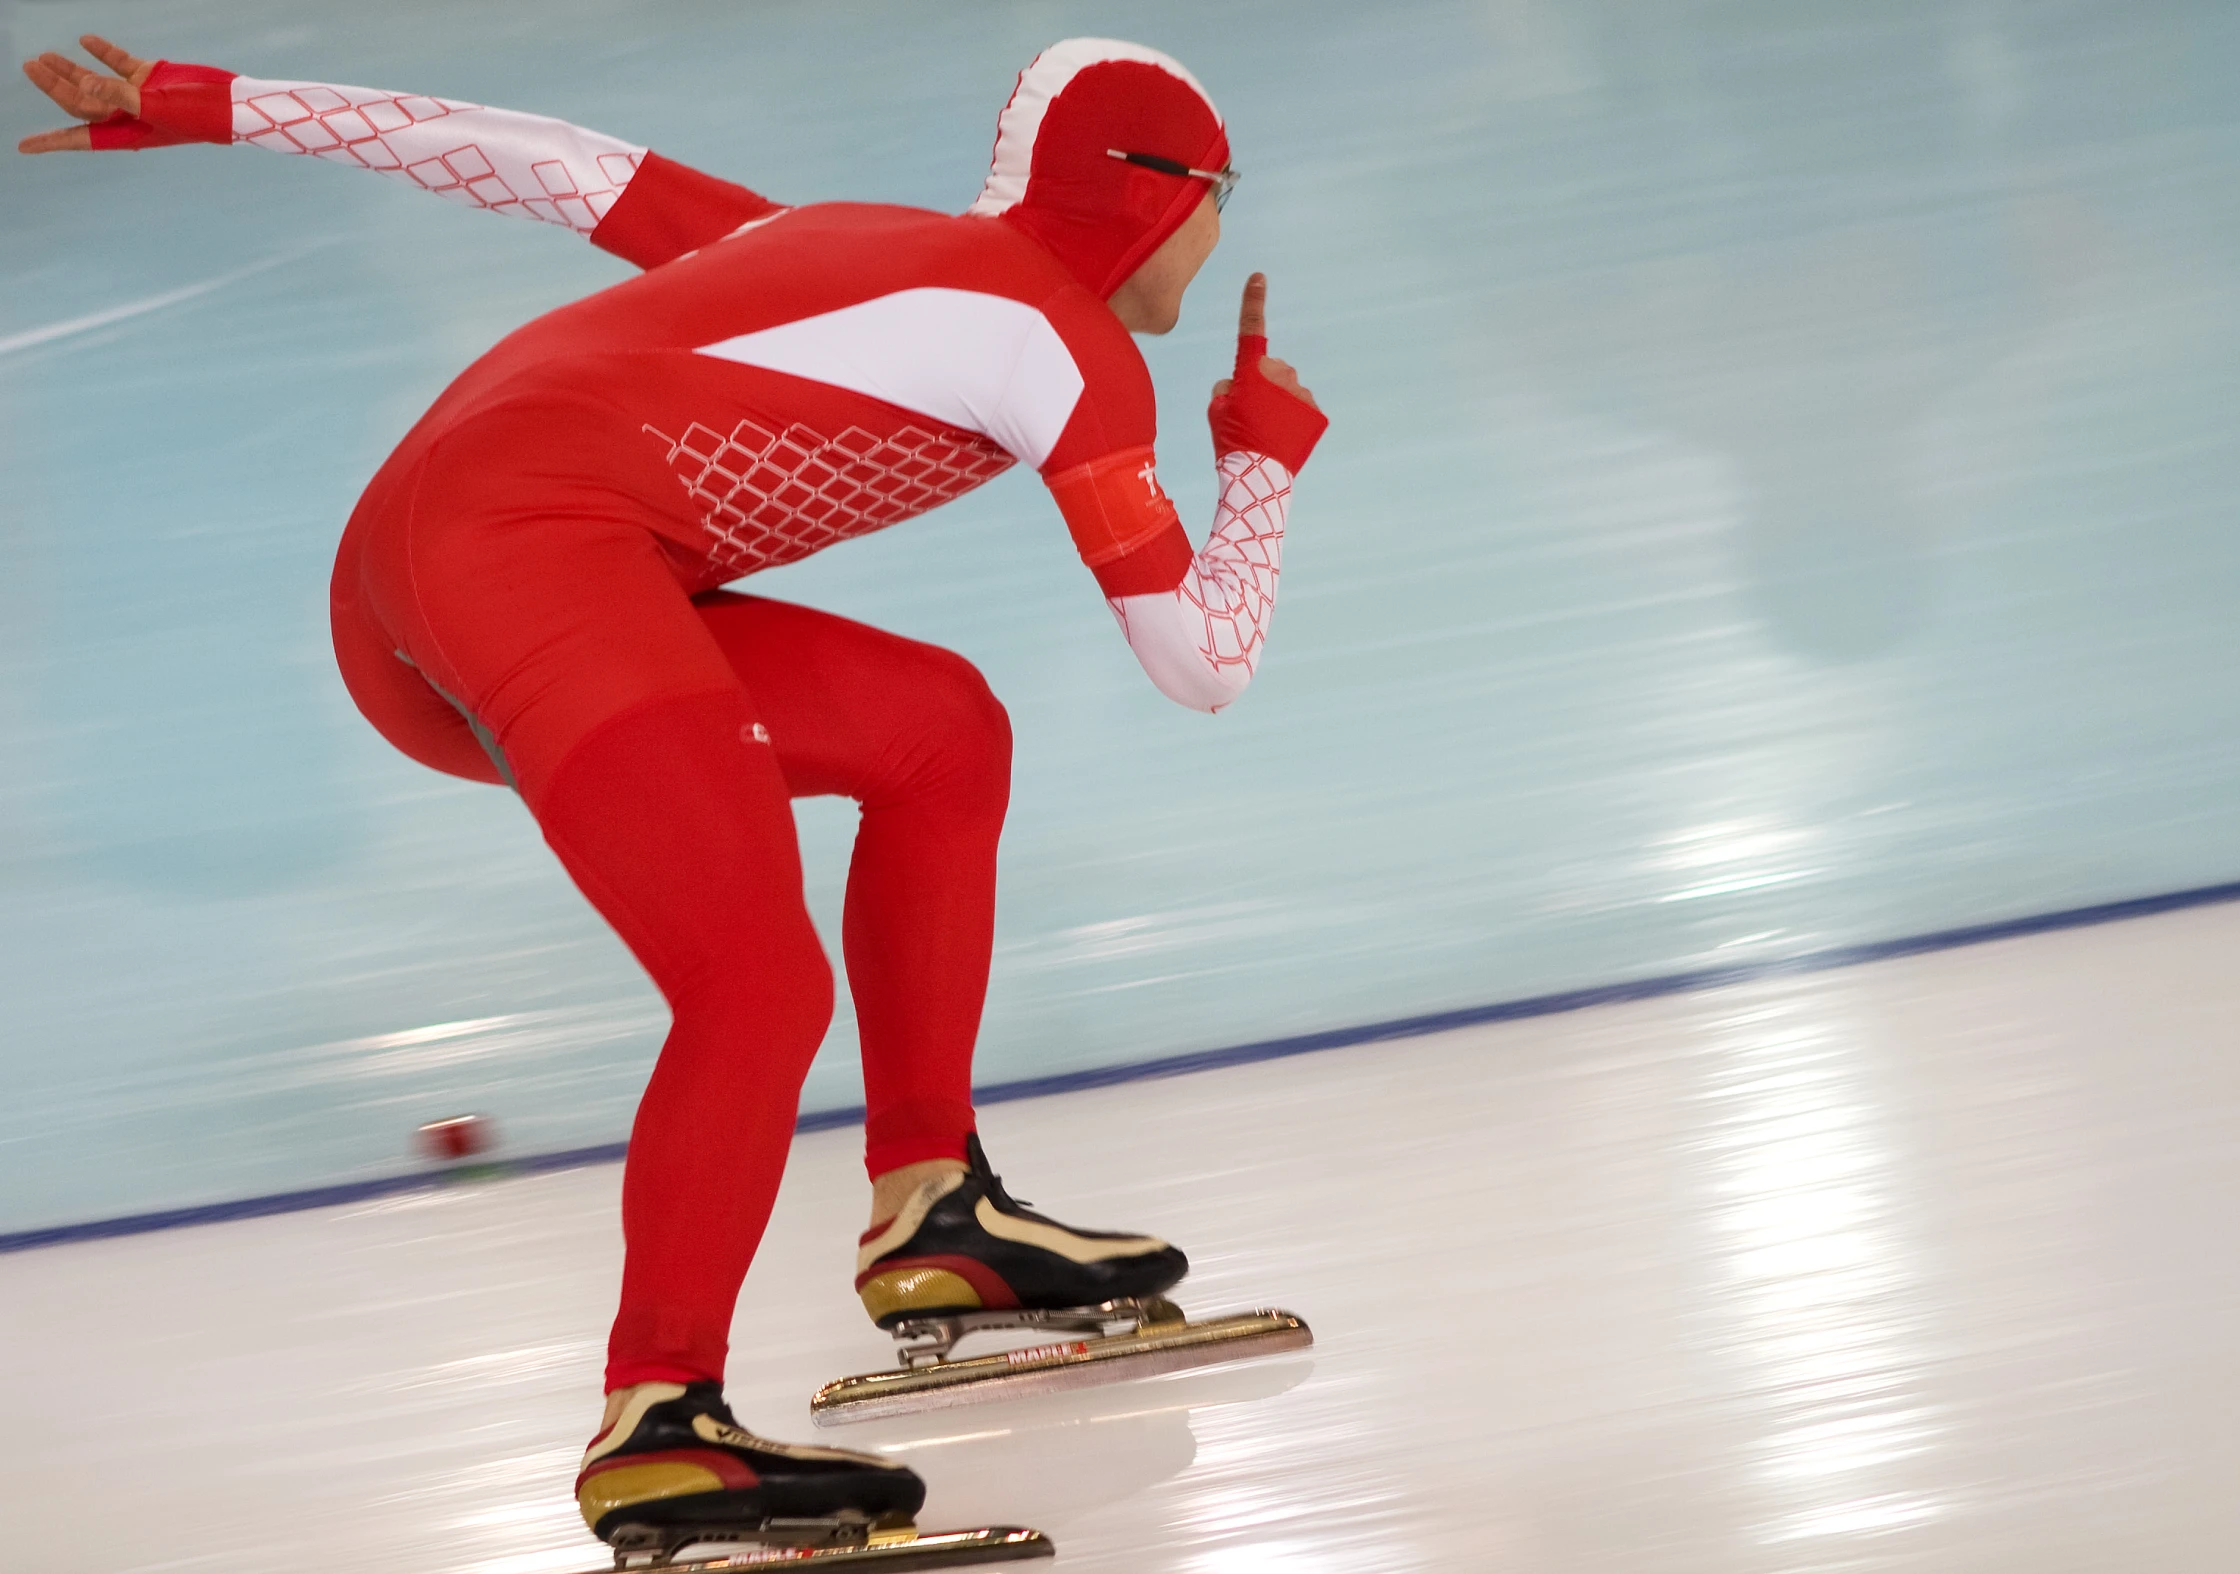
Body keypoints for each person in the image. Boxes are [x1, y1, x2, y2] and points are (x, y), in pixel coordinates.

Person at [19, 31, 1327, 1549]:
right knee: (755, 982)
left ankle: (936, 1206)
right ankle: (660, 1416)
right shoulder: (1064, 349)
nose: (1230, 225)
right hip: (525, 571)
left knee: (939, 732)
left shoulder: (823, 240)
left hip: (412, 584)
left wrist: (207, 101)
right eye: (1225, 189)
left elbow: (541, 158)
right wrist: (1264, 463)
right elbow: (1200, 658)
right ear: (1152, 197)